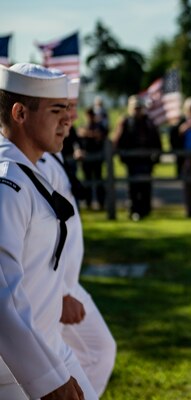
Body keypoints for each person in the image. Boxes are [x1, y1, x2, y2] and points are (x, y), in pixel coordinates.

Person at [0, 63, 97, 399]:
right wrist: (45, 379)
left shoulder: (29, 172)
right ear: (20, 113)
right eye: (57, 110)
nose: (69, 119)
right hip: (13, 370)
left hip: (48, 347)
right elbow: (3, 295)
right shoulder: (6, 184)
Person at [37, 77, 117, 397]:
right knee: (96, 353)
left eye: (71, 107)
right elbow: (37, 239)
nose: (70, 118)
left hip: (63, 283)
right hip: (50, 289)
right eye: (61, 109)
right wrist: (59, 293)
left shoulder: (48, 153)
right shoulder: (33, 160)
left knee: (99, 352)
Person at [113, 95, 161, 221]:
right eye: (135, 108)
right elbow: (118, 142)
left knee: (146, 187)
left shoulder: (149, 123)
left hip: (146, 161)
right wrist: (124, 156)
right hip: (132, 162)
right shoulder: (126, 122)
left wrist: (155, 157)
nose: (137, 110)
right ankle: (134, 210)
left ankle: (145, 211)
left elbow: (157, 141)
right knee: (133, 188)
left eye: (139, 107)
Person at [78, 106, 108, 210]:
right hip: (86, 158)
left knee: (99, 181)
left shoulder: (99, 126)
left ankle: (101, 203)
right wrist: (91, 134)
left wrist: (88, 134)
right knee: (87, 181)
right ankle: (88, 203)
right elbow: (80, 135)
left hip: (97, 157)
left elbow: (102, 135)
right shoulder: (83, 126)